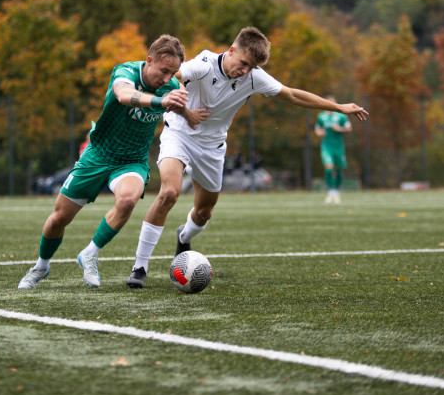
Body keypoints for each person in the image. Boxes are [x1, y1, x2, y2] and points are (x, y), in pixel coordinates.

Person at [125, 26, 369, 288]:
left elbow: (292, 94)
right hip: (179, 135)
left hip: (213, 147)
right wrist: (181, 109)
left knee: (204, 211)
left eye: (251, 67)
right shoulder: (205, 63)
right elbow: (174, 75)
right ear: (231, 51)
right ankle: (140, 267)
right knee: (169, 193)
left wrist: (339, 107)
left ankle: (183, 236)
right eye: (243, 63)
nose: (244, 71)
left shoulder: (254, 76)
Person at [17, 35, 189, 290]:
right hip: (98, 155)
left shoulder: (170, 84)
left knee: (129, 199)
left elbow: (181, 96)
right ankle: (41, 266)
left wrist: (189, 113)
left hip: (132, 161)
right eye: (164, 71)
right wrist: (159, 101)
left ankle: (89, 253)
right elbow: (122, 94)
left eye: (172, 72)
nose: (167, 78)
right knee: (58, 218)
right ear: (149, 60)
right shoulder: (125, 71)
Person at [314, 95, 352, 204]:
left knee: (339, 169)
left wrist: (340, 129)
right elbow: (317, 129)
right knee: (329, 169)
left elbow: (349, 128)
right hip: (326, 146)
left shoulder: (341, 116)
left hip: (338, 146)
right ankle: (330, 192)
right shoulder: (321, 116)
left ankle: (337, 192)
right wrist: (319, 132)